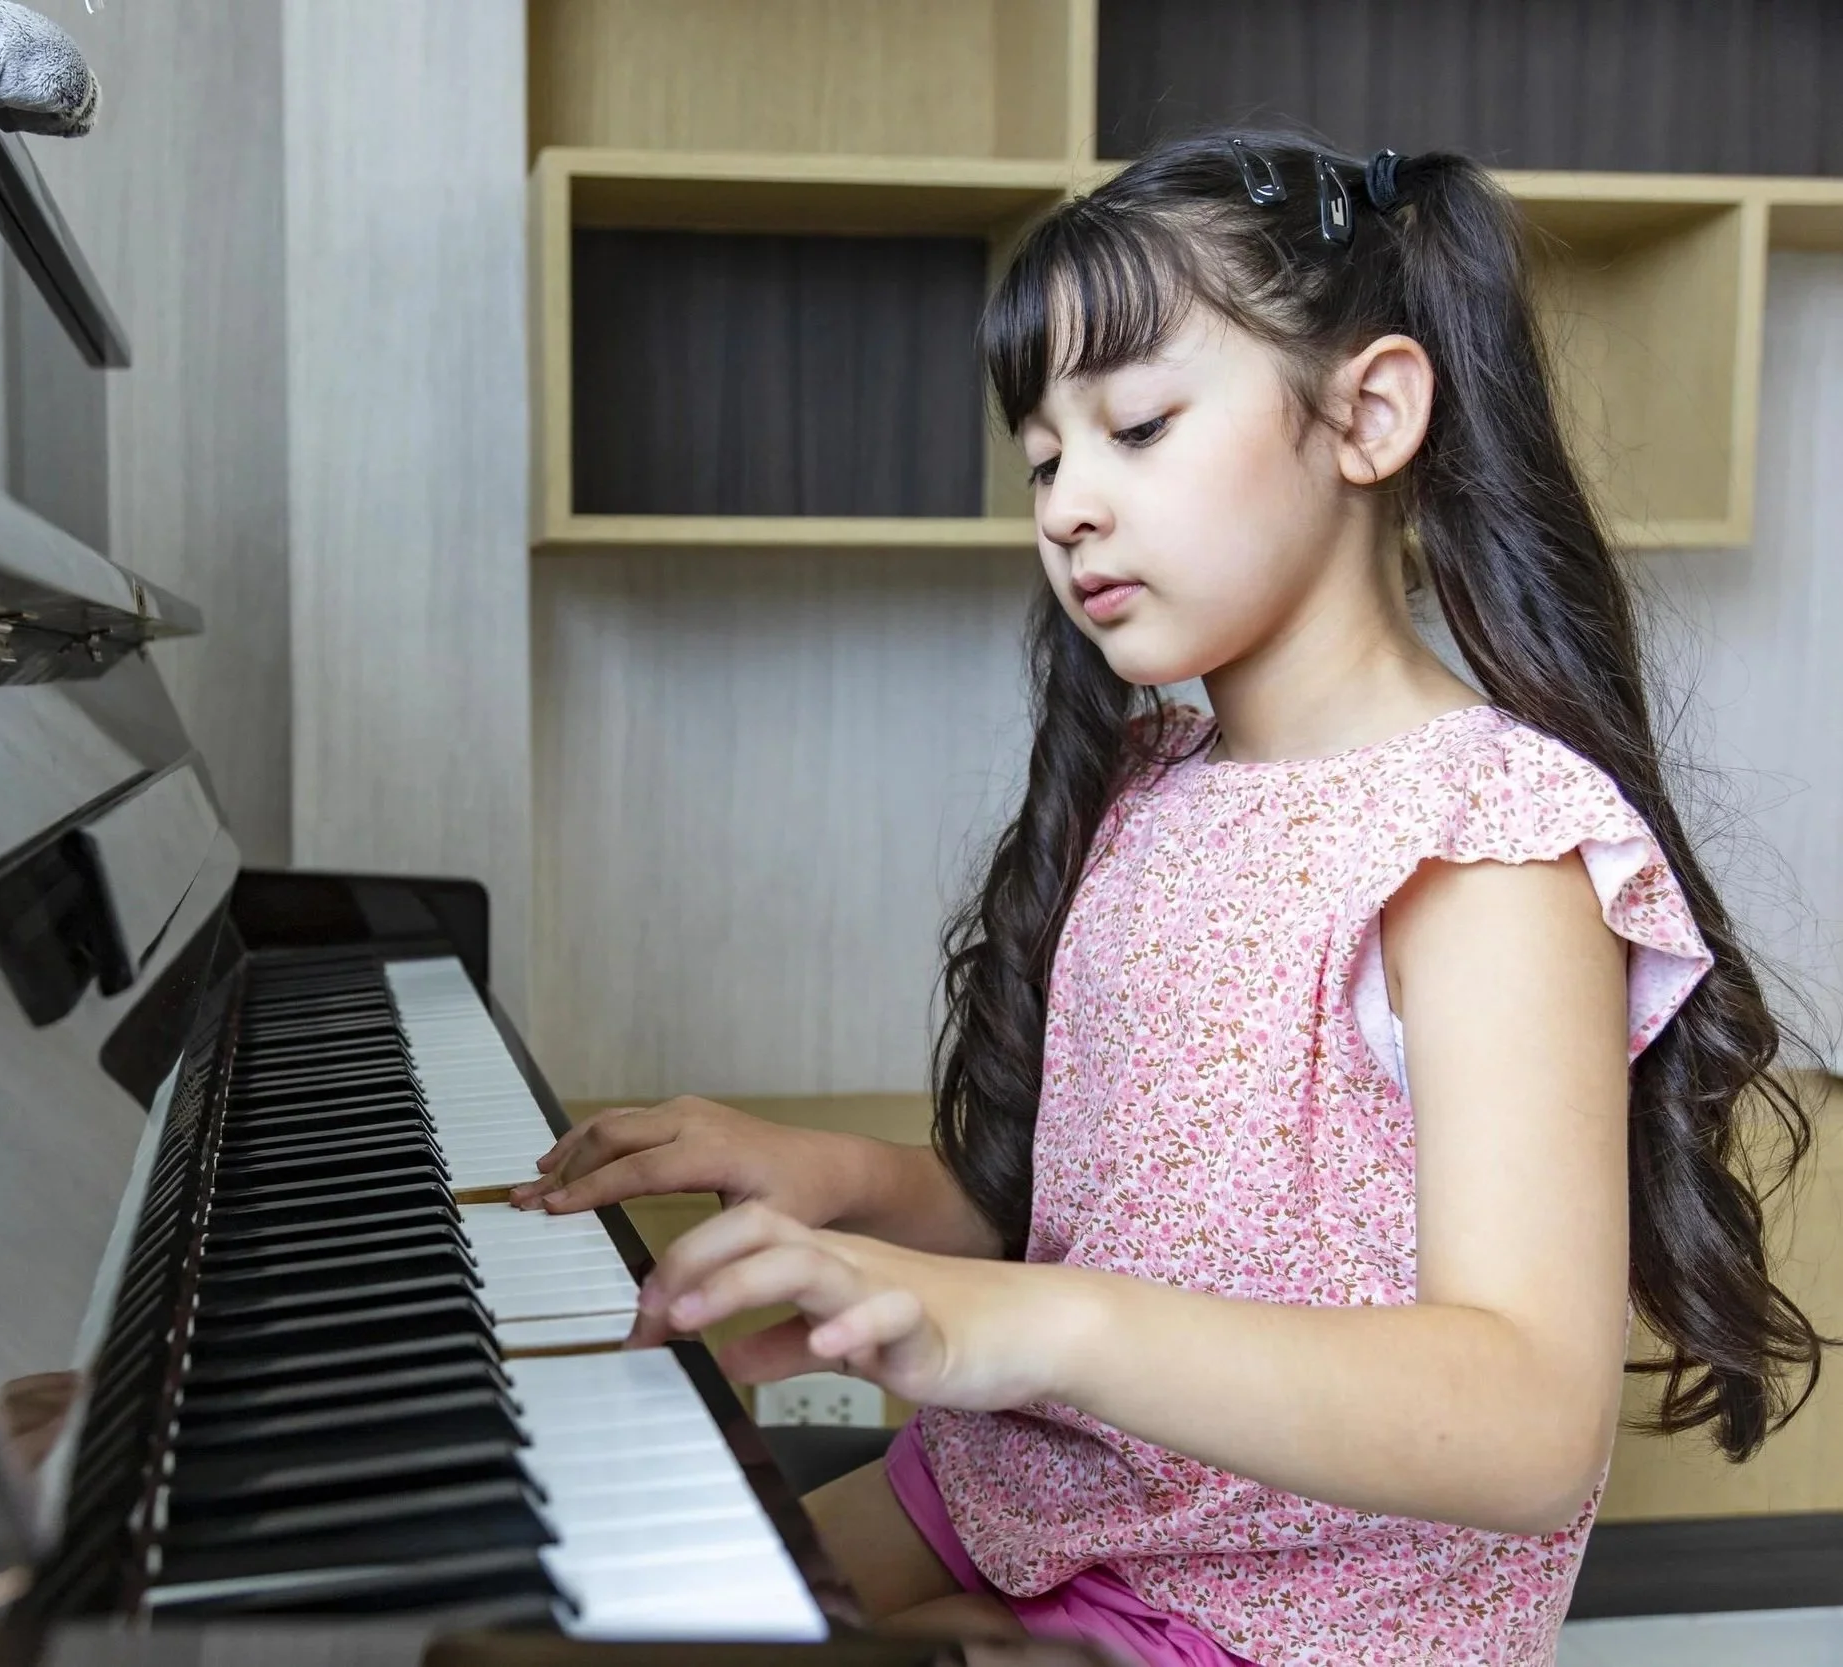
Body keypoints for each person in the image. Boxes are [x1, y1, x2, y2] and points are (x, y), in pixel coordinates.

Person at [511, 130, 1828, 1665]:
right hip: (1036, 1490)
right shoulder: (1151, 786)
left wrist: (1012, 1325)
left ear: (1369, 413)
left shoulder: (1491, 849)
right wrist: (840, 1181)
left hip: (1293, 1610)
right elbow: (1123, 1229)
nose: (1069, 503)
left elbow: (1529, 1422)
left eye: (1135, 425)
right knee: (605, 1600)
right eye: (1047, 457)